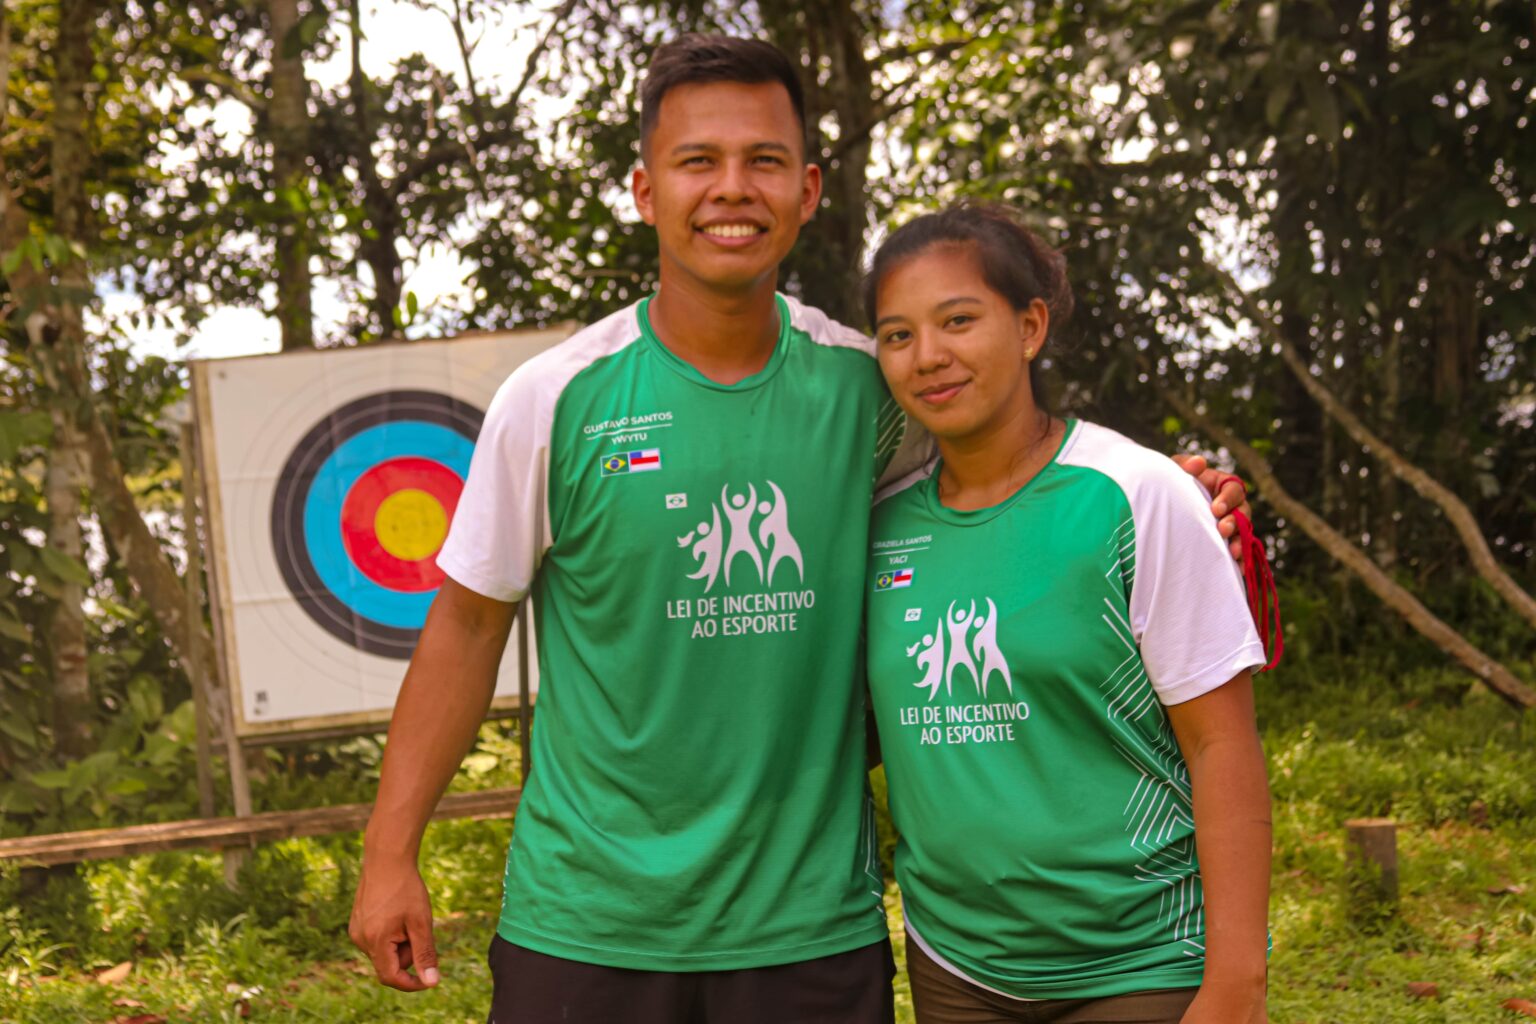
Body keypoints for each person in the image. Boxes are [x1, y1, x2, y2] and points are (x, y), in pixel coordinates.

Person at [347, 35, 1252, 1024]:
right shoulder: (556, 400)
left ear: (809, 188)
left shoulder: (869, 385)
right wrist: (391, 851)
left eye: (764, 161)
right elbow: (468, 624)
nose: (731, 189)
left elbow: (1011, 460)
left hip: (811, 932)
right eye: (699, 162)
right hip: (585, 924)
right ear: (647, 192)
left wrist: (1173, 489)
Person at [863, 203, 1271, 1024]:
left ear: (1030, 326)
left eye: (959, 320)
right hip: (957, 968)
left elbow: (1221, 743)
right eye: (897, 334)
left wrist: (1236, 985)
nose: (928, 356)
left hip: (1139, 961)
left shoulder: (1137, 495)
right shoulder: (878, 527)